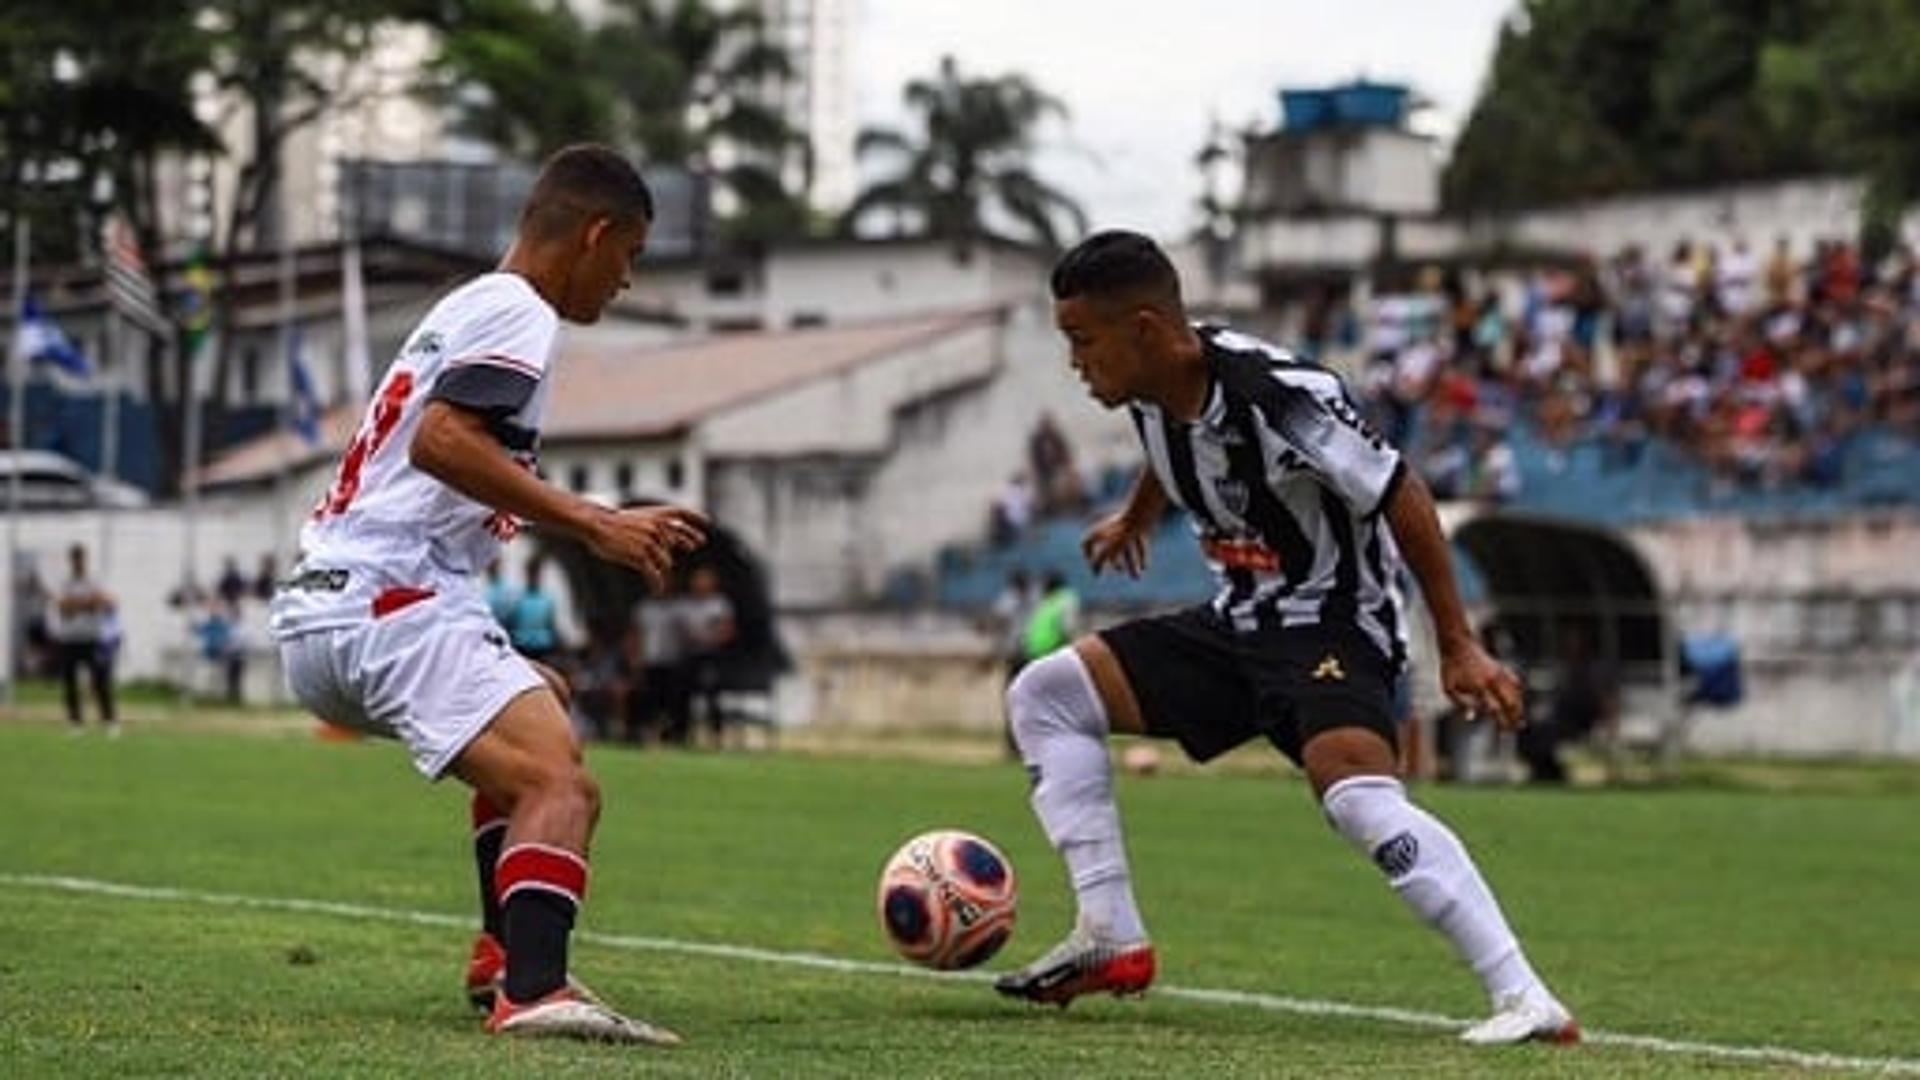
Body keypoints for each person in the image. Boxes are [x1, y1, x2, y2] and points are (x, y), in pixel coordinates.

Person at [992, 231, 1577, 1046]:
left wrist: (1460, 643)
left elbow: (1400, 489)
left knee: (1356, 797)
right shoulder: (1149, 383)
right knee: (1046, 695)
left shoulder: (1281, 396)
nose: (1075, 361)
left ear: (1150, 329)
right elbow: (1178, 438)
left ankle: (1525, 996)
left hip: (1333, 623)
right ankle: (1111, 935)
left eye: (1083, 341)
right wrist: (1137, 513)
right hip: (1238, 622)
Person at [269, 144, 706, 1046]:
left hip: (332, 604)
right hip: (387, 603)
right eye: (628, 256)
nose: (625, 281)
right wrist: (595, 522)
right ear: (595, 235)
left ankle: (497, 954)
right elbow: (442, 443)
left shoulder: (470, 302)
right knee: (562, 785)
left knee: (541, 701)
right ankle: (534, 989)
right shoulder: (519, 312)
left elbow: (442, 462)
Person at [53, 544, 118, 735]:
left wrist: (78, 604)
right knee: (70, 682)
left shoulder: (94, 580)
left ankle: (109, 721)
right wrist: (87, 603)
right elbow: (62, 606)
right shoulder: (64, 581)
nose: (78, 562)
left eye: (80, 558)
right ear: (70, 561)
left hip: (92, 637)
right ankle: (76, 723)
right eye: (75, 559)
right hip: (69, 639)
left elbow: (106, 601)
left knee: (100, 681)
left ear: (85, 560)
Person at [508, 558, 561, 664]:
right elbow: (512, 623)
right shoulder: (519, 600)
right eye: (531, 573)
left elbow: (551, 625)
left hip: (543, 647)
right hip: (523, 646)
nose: (534, 577)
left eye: (536, 573)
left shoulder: (547, 599)